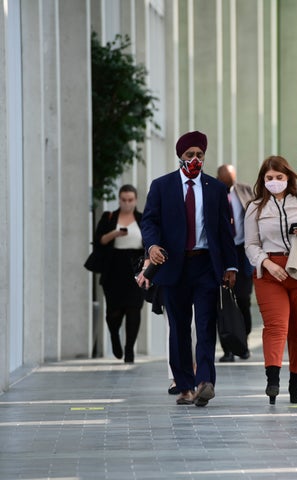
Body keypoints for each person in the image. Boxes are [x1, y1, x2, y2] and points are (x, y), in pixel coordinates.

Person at [140, 130, 238, 407]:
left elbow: (224, 230)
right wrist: (152, 246)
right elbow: (149, 222)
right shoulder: (162, 186)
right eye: (189, 155)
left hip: (206, 265)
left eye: (199, 155)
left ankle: (205, 382)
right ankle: (184, 385)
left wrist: (230, 265)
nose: (195, 159)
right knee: (179, 327)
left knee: (206, 324)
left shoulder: (216, 188)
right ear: (180, 157)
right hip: (173, 266)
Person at [244, 156, 297, 404]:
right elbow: (251, 245)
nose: (274, 182)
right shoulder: (255, 207)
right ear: (262, 180)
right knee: (276, 326)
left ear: (288, 177)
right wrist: (266, 263)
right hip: (270, 272)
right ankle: (272, 380)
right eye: (269, 178)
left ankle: (296, 385)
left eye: (279, 177)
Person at [94, 184, 145, 363]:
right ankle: (115, 335)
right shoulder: (109, 217)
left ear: (136, 200)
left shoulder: (142, 218)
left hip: (135, 269)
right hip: (114, 268)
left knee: (134, 310)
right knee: (113, 312)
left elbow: (150, 242)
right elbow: (98, 240)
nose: (127, 203)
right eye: (123, 200)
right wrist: (114, 234)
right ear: (119, 200)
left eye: (130, 200)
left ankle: (129, 349)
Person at [216, 164, 254, 362]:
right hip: (223, 253)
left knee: (243, 300)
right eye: (224, 179)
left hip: (243, 252)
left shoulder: (245, 190)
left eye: (230, 179)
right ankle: (227, 349)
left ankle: (244, 342)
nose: (227, 183)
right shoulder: (213, 193)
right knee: (223, 303)